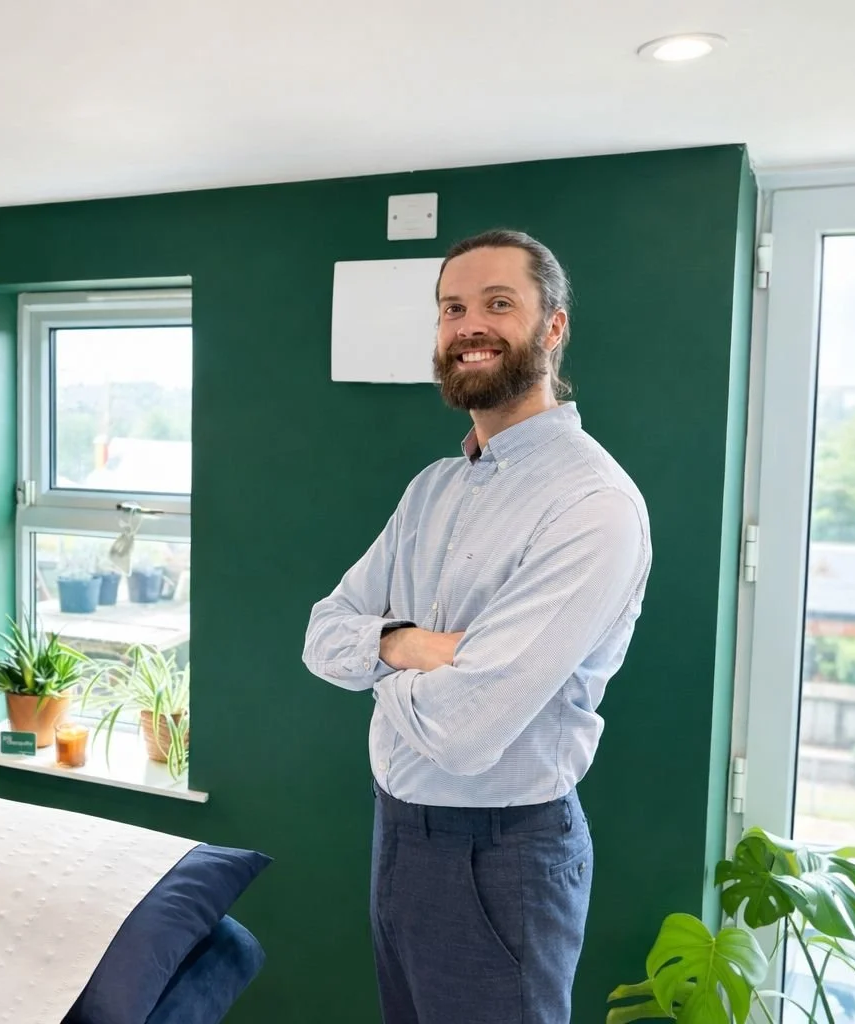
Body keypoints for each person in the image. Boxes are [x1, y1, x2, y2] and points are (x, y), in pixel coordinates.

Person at [302, 229, 652, 1024]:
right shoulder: (432, 490)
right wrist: (407, 647)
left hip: (501, 858)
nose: (469, 326)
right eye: (453, 308)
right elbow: (322, 634)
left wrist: (377, 668)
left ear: (552, 328)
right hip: (398, 837)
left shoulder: (591, 506)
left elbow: (466, 734)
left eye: (499, 303)